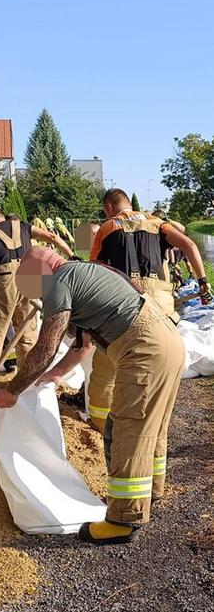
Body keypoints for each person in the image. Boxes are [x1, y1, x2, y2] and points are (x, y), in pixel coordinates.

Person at [0, 246, 184, 545]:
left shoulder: (59, 281)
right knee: (152, 426)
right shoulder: (87, 272)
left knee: (126, 430)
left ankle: (124, 519)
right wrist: (56, 375)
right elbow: (84, 344)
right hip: (169, 343)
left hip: (144, 349)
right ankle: (151, 491)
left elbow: (46, 347)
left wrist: (13, 390)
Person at [84, 188, 210, 440]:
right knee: (155, 362)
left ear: (109, 207)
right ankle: (152, 422)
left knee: (106, 367)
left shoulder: (107, 228)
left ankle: (101, 426)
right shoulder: (158, 224)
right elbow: (189, 244)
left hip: (123, 303)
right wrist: (203, 281)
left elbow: (94, 271)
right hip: (161, 303)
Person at [0, 206, 73, 368]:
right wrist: (71, 256)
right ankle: (27, 384)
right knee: (27, 334)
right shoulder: (22, 226)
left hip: (6, 278)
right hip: (31, 276)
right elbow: (51, 237)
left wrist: (1, 289)